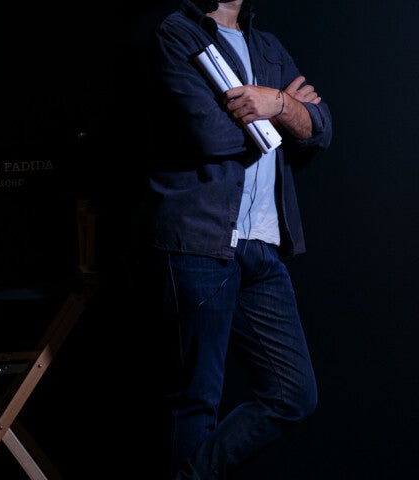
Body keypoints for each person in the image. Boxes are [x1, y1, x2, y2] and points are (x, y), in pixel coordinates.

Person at [140, 0, 333, 478]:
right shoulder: (176, 34)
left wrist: (275, 102)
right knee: (194, 400)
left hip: (262, 244)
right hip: (200, 242)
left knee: (292, 394)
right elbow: (209, 135)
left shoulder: (267, 46)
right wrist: (286, 111)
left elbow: (320, 129)